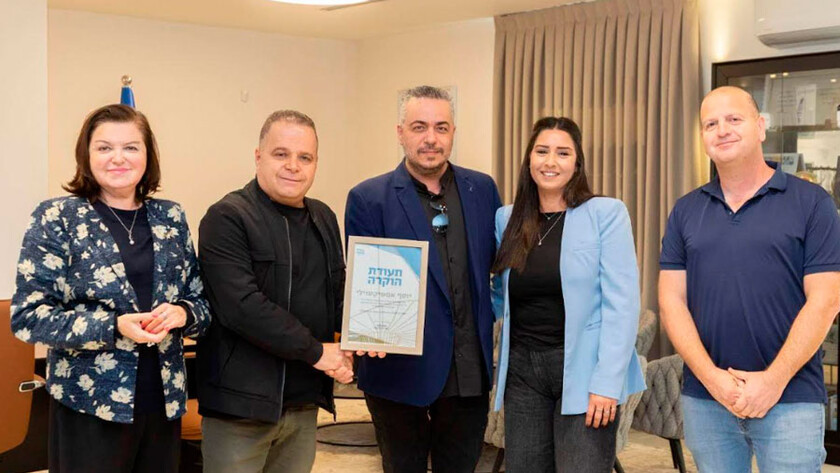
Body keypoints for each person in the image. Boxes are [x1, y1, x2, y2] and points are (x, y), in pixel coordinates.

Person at [11, 103, 211, 473]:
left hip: (163, 403)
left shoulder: (170, 217)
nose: (118, 158)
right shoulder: (57, 217)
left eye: (130, 147)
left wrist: (183, 313)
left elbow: (201, 302)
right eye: (104, 147)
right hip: (89, 404)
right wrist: (113, 326)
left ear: (147, 156)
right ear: (86, 156)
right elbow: (28, 318)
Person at [659, 85, 840, 472]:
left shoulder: (812, 203)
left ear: (760, 127)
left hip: (790, 398)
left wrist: (773, 381)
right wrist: (713, 380)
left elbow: (826, 300)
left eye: (734, 119)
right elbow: (671, 301)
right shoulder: (685, 210)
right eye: (710, 124)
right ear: (703, 136)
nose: (722, 130)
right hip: (707, 399)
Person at [345, 85, 502, 473]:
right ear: (400, 133)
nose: (431, 138)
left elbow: (498, 269)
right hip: (399, 374)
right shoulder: (368, 198)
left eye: (441, 127)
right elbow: (364, 285)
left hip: (468, 373)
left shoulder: (482, 189)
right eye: (419, 127)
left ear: (453, 132)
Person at [196, 110, 350, 473]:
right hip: (241, 410)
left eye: (305, 157)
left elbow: (338, 293)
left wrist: (368, 336)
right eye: (281, 154)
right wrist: (317, 352)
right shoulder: (227, 217)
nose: (293, 166)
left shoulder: (323, 217)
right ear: (258, 156)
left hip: (303, 404)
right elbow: (243, 307)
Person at [491, 116, 645, 472]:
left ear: (577, 163)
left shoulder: (606, 213)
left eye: (563, 153)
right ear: (529, 159)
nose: (551, 161)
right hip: (523, 372)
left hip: (586, 370)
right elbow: (500, 295)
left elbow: (622, 305)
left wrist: (607, 383)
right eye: (542, 151)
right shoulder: (507, 218)